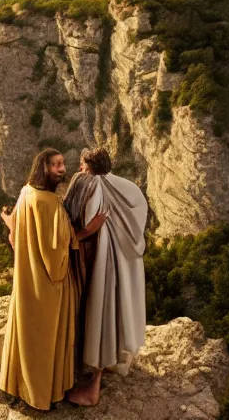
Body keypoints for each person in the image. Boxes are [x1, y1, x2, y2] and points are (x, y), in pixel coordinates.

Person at [63, 147, 148, 407]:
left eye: (82, 166)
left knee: (100, 313)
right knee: (114, 310)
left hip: (102, 260)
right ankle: (107, 361)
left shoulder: (93, 188)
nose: (79, 170)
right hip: (124, 260)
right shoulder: (126, 186)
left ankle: (93, 388)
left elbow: (88, 224)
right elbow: (139, 215)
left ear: (90, 168)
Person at [0, 148, 79, 411]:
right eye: (56, 165)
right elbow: (59, 251)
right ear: (44, 168)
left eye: (62, 164)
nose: (62, 169)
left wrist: (9, 221)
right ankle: (45, 394)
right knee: (45, 339)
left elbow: (15, 236)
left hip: (25, 281)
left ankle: (18, 388)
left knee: (24, 334)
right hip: (47, 285)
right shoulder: (51, 204)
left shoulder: (25, 193)